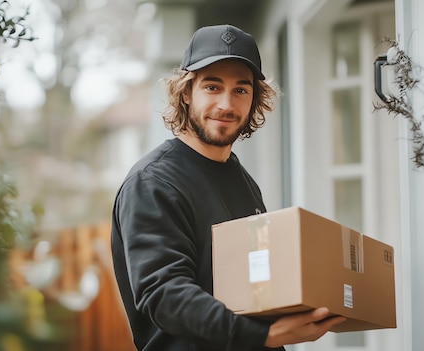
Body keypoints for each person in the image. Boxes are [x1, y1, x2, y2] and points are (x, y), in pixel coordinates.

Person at [110, 24, 345, 351]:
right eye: (212, 86)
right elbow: (164, 293)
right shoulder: (153, 182)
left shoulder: (241, 180)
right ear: (187, 92)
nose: (226, 104)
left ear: (254, 99)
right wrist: (262, 336)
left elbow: (255, 286)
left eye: (240, 90)